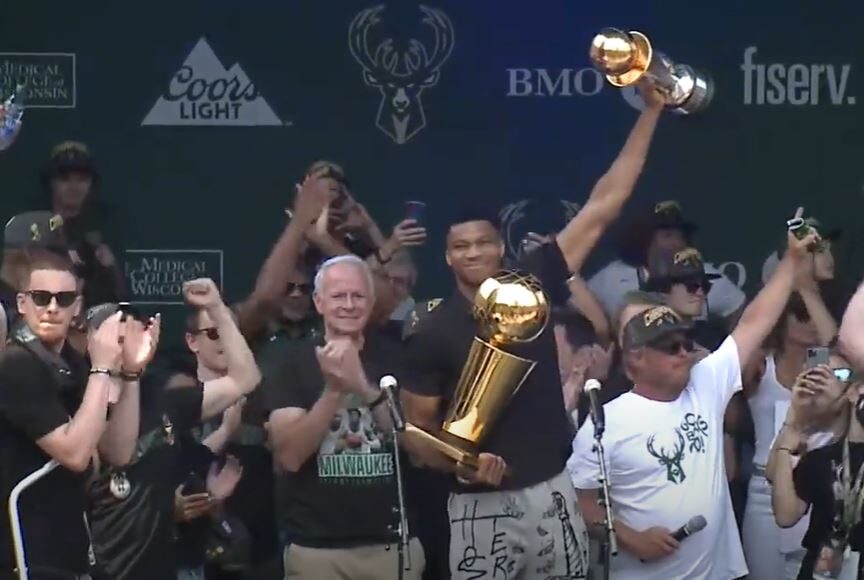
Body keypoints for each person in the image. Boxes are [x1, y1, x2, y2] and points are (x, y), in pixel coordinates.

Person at [401, 82, 666, 580]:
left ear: (500, 248)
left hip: (552, 489)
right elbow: (416, 435)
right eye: (461, 246)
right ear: (447, 257)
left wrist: (652, 109)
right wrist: (461, 463)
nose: (473, 253)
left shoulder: (534, 282)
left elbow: (605, 203)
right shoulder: (432, 331)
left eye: (483, 243)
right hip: (479, 506)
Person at [568, 216, 819, 580]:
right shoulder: (607, 421)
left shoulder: (706, 383)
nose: (684, 352)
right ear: (636, 358)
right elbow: (579, 498)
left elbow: (754, 321)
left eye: (686, 343)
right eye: (670, 347)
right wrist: (630, 538)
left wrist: (791, 262)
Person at [87, 278, 261, 580]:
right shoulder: (81, 401)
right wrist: (127, 374)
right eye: (117, 337)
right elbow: (116, 453)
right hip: (101, 570)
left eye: (136, 334)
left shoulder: (164, 399)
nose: (128, 346)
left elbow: (245, 379)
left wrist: (216, 308)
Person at [266, 255, 425, 580]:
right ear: (319, 302)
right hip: (317, 549)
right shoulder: (292, 362)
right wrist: (334, 390)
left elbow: (416, 446)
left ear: (371, 301)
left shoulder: (397, 356)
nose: (349, 305)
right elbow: (290, 457)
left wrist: (363, 387)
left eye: (358, 296)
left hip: (392, 545)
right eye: (339, 296)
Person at [0, 250, 156, 579]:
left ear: (77, 307)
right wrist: (102, 368)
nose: (52, 308)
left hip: (68, 547)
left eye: (64, 299)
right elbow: (74, 453)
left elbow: (118, 452)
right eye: (41, 298)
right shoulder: (15, 364)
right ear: (22, 303)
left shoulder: (73, 364)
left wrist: (130, 373)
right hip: (21, 550)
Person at [741, 270, 838, 579]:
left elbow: (840, 346)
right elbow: (744, 335)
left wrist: (810, 293)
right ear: (782, 318)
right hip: (763, 486)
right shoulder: (760, 364)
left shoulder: (832, 367)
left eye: (816, 314)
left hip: (817, 487)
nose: (811, 322)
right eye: (801, 314)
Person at [770, 363, 863, 579]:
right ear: (851, 392)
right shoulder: (820, 457)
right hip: (820, 570)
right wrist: (784, 449)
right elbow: (785, 515)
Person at [588, 200, 746, 326]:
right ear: (644, 240)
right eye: (668, 236)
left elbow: (739, 311)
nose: (678, 243)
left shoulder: (701, 273)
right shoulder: (610, 280)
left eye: (681, 236)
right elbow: (579, 321)